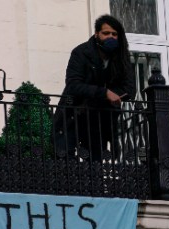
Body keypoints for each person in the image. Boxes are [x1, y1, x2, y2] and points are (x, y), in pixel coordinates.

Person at [53, 14, 135, 161]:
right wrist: (104, 93)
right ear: (97, 34)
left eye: (114, 34)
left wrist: (114, 95)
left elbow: (129, 89)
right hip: (74, 115)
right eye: (106, 33)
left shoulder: (122, 57)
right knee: (66, 161)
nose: (110, 37)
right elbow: (73, 85)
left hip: (100, 120)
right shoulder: (81, 52)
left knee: (95, 165)